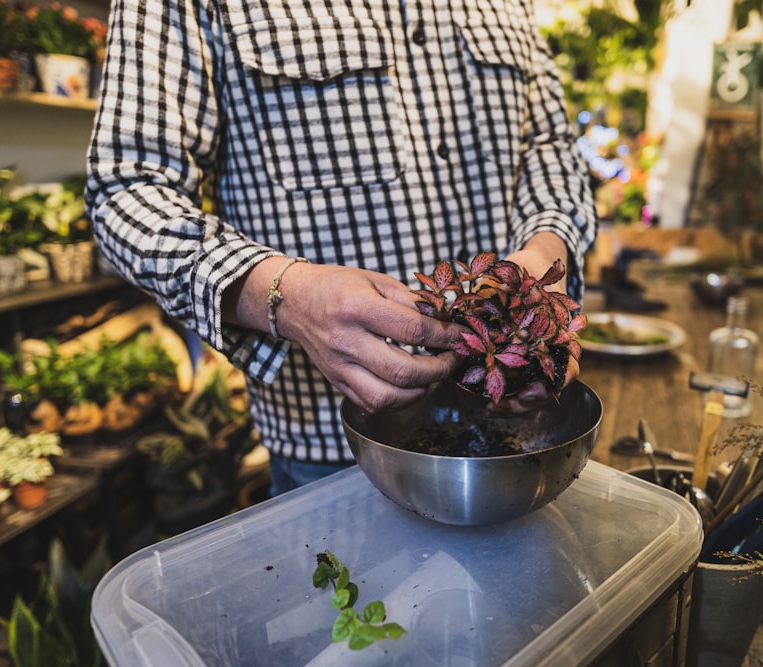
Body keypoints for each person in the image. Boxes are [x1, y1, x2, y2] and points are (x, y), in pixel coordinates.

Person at [85, 0, 597, 495]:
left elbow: (549, 147)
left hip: (516, 421)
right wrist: (283, 295)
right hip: (331, 447)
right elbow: (127, 185)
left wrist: (543, 251)